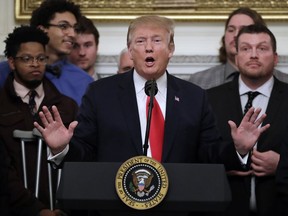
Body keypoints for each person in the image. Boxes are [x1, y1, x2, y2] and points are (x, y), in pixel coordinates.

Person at [34, 15, 269, 216]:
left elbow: (209, 153)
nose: (149, 47)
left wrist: (238, 149)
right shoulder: (100, 94)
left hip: (177, 209)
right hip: (113, 208)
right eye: (140, 41)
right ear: (130, 50)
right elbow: (85, 151)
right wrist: (61, 149)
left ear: (171, 49)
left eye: (157, 41)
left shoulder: (194, 97)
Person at [207, 24, 288, 216]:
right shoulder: (209, 99)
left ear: (275, 58)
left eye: (262, 48)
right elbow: (200, 154)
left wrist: (282, 164)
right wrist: (237, 153)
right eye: (245, 48)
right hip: (224, 210)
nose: (253, 55)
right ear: (236, 58)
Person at [0, 25, 78, 216]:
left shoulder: (67, 106)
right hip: (13, 209)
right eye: (27, 58)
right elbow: (3, 170)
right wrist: (37, 210)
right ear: (11, 62)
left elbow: (78, 161)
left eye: (41, 58)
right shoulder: (1, 105)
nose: (35, 64)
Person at [0, 0, 94, 106]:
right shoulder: (3, 72)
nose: (72, 34)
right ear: (42, 30)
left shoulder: (83, 81)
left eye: (75, 28)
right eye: (63, 26)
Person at [188, 7, 288, 89]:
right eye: (231, 30)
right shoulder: (199, 81)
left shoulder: (285, 81)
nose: (236, 35)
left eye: (244, 29)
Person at [68, 15, 100, 80]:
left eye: (87, 45)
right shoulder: (55, 87)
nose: (82, 53)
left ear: (97, 47)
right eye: (75, 46)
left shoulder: (110, 87)